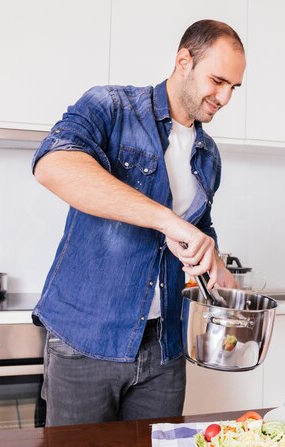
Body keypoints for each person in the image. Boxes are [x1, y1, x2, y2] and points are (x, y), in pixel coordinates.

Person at [31, 19, 246, 425]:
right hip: (86, 338)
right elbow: (53, 165)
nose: (225, 97)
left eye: (234, 87)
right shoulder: (111, 107)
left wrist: (214, 258)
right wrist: (167, 220)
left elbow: (200, 228)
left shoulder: (208, 154)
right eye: (218, 81)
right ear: (184, 61)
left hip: (164, 348)